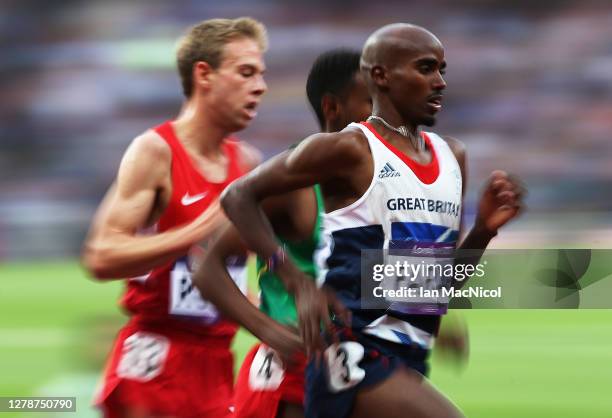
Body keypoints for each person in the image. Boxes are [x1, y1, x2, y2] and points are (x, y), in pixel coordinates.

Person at [220, 23, 524, 418]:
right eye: (426, 68)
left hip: (407, 360)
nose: (439, 82)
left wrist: (483, 230)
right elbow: (237, 196)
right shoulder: (349, 149)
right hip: (352, 353)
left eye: (442, 70)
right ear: (380, 76)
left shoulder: (453, 158)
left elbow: (432, 286)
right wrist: (297, 282)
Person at [82, 17, 267, 418]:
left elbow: (230, 281)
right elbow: (101, 255)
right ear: (205, 74)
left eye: (262, 75)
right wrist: (196, 230)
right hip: (155, 363)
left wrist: (281, 325)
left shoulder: (247, 163)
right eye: (246, 72)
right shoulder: (156, 151)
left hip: (217, 366)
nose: (260, 86)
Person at [192, 48, 372, 418]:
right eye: (370, 102)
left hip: (355, 369)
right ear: (333, 109)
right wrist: (268, 329)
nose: (383, 115)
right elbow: (208, 267)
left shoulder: (381, 182)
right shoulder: (296, 186)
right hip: (289, 382)